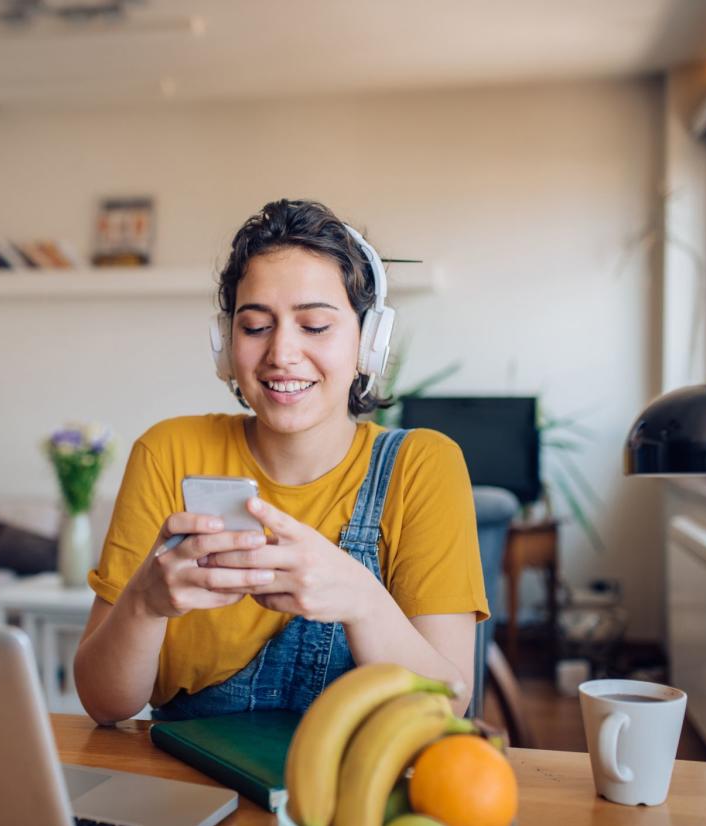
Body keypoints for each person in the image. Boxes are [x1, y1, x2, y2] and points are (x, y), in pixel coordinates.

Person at [74, 199, 488, 725]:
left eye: (315, 326)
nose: (281, 353)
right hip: (184, 787)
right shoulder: (167, 452)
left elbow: (447, 705)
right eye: (254, 327)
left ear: (369, 343)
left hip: (348, 791)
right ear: (226, 346)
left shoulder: (424, 466)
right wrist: (144, 604)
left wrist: (362, 600)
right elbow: (104, 704)